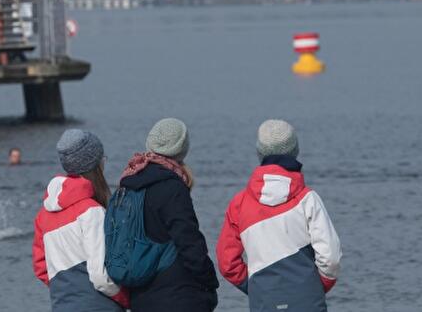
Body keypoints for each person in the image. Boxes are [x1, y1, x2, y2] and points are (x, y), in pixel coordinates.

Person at [217, 119, 342, 312]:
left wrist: (257, 287)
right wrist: (314, 287)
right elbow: (330, 258)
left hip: (263, 301)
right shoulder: (308, 199)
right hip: (308, 301)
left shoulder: (239, 203)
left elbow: (227, 262)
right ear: (295, 151)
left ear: (260, 152)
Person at [118, 118, 219, 312]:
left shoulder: (128, 183)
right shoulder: (172, 188)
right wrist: (210, 281)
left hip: (140, 295)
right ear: (182, 149)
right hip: (178, 296)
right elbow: (189, 243)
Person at [33, 129, 128, 311]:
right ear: (96, 165)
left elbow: (42, 268)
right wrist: (128, 300)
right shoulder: (92, 212)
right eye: (103, 160)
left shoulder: (43, 216)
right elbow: (101, 277)